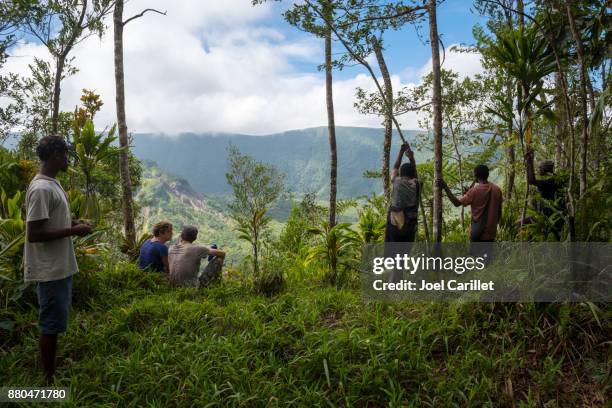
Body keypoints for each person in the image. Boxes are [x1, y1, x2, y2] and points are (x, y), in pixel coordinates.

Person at [24, 135, 93, 385]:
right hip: (50, 269)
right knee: (50, 325)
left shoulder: (52, 184)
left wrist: (76, 223)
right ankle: (48, 381)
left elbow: (52, 220)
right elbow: (34, 233)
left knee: (54, 321)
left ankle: (50, 369)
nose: (67, 159)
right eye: (65, 154)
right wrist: (74, 231)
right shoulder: (42, 189)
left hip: (59, 266)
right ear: (55, 156)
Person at [437, 164, 503, 242]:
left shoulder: (474, 191)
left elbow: (457, 203)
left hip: (478, 234)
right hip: (491, 234)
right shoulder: (497, 189)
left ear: (475, 176)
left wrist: (445, 187)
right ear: (488, 174)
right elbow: (499, 212)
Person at [524, 150, 565, 240]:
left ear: (545, 169)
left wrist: (529, 162)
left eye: (540, 168)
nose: (539, 170)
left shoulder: (551, 180)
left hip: (552, 218)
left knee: (521, 223)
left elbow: (531, 181)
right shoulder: (553, 179)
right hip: (548, 215)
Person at [385, 142, 420, 243]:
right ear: (412, 174)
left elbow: (395, 167)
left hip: (394, 224)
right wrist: (411, 158)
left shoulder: (396, 181)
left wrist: (401, 152)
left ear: (401, 173)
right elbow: (415, 174)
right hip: (409, 226)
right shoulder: (416, 184)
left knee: (390, 253)